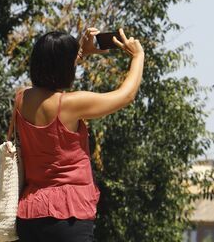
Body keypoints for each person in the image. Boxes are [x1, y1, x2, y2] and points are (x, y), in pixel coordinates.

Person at [12, 27, 145, 242]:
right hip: (68, 215)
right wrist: (138, 57)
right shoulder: (70, 104)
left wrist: (80, 53)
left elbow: (52, 73)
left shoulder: (21, 98)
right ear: (65, 66)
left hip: (30, 214)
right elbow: (126, 95)